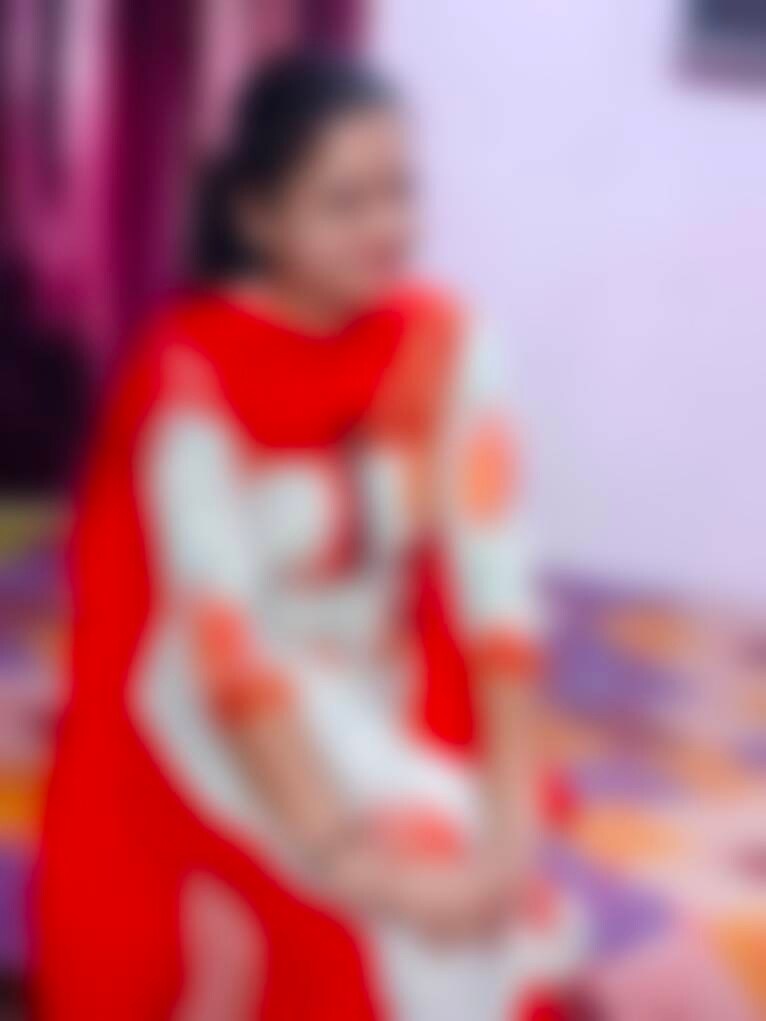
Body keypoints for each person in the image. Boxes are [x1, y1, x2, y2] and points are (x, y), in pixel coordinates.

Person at [37, 53, 579, 1020]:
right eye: (345, 201)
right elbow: (225, 642)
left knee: (506, 896)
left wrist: (509, 826)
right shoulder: (192, 371)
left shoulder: (448, 343)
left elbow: (497, 591)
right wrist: (362, 867)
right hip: (219, 702)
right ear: (259, 217)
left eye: (400, 191)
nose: (386, 226)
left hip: (373, 686)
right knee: (414, 928)